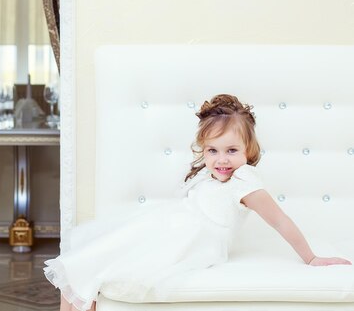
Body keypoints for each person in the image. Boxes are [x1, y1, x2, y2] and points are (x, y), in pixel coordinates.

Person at [44, 94, 351, 311]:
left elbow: (280, 220)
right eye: (213, 150)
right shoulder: (206, 172)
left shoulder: (245, 182)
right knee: (81, 263)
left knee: (105, 269)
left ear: (248, 148)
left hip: (192, 242)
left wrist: (310, 257)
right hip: (170, 225)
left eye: (231, 150)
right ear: (203, 149)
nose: (221, 159)